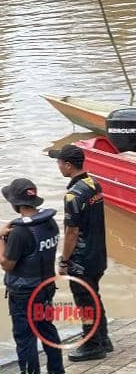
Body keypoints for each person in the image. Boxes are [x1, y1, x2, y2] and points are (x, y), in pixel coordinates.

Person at [0, 178, 66, 374]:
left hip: (24, 294)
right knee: (46, 329)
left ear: (15, 203)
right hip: (46, 287)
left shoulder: (19, 232)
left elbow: (5, 264)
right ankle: (57, 372)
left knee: (25, 337)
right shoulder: (50, 223)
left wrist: (0, 238)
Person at [48, 144, 112, 361]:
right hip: (98, 255)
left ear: (68, 165)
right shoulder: (94, 184)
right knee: (94, 296)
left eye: (59, 163)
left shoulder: (73, 195)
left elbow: (72, 232)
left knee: (85, 302)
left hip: (81, 260)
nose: (58, 166)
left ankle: (92, 344)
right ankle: (103, 339)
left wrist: (64, 261)